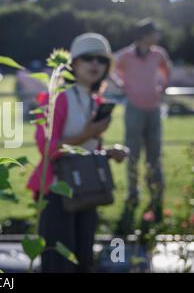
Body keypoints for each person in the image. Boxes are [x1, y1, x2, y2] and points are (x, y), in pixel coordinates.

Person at [27, 33, 128, 272]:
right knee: (59, 263)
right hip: (57, 191)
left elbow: (87, 149)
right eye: (88, 58)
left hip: (86, 190)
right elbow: (47, 148)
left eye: (101, 60)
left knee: (83, 259)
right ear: (73, 63)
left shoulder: (96, 100)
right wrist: (87, 133)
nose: (95, 65)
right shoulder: (57, 98)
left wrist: (108, 152)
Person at [115, 18, 172, 224]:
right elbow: (111, 66)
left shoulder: (158, 54)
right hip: (134, 109)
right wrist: (122, 84)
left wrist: (162, 87)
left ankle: (156, 197)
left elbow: (167, 70)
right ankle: (132, 195)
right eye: (154, 32)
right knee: (132, 153)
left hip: (154, 109)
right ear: (144, 35)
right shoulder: (126, 55)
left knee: (154, 156)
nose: (157, 36)